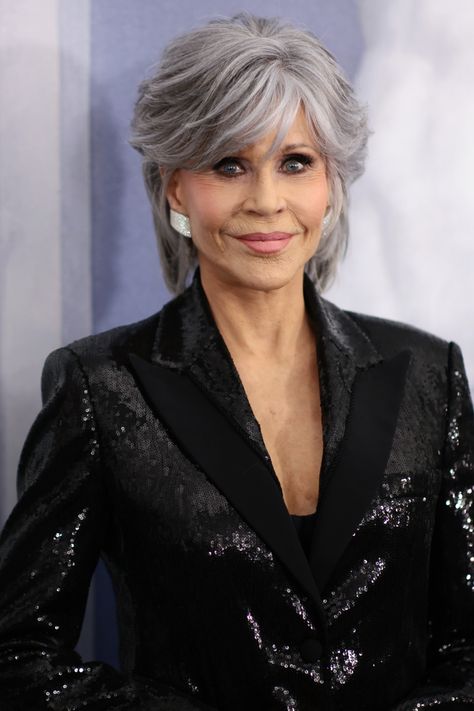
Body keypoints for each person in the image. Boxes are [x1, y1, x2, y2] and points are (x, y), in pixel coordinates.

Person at [0, 10, 473, 711]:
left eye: (295, 162)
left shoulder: (427, 373)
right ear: (174, 188)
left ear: (331, 184)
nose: (267, 201)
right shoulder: (101, 388)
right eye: (230, 164)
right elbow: (18, 655)